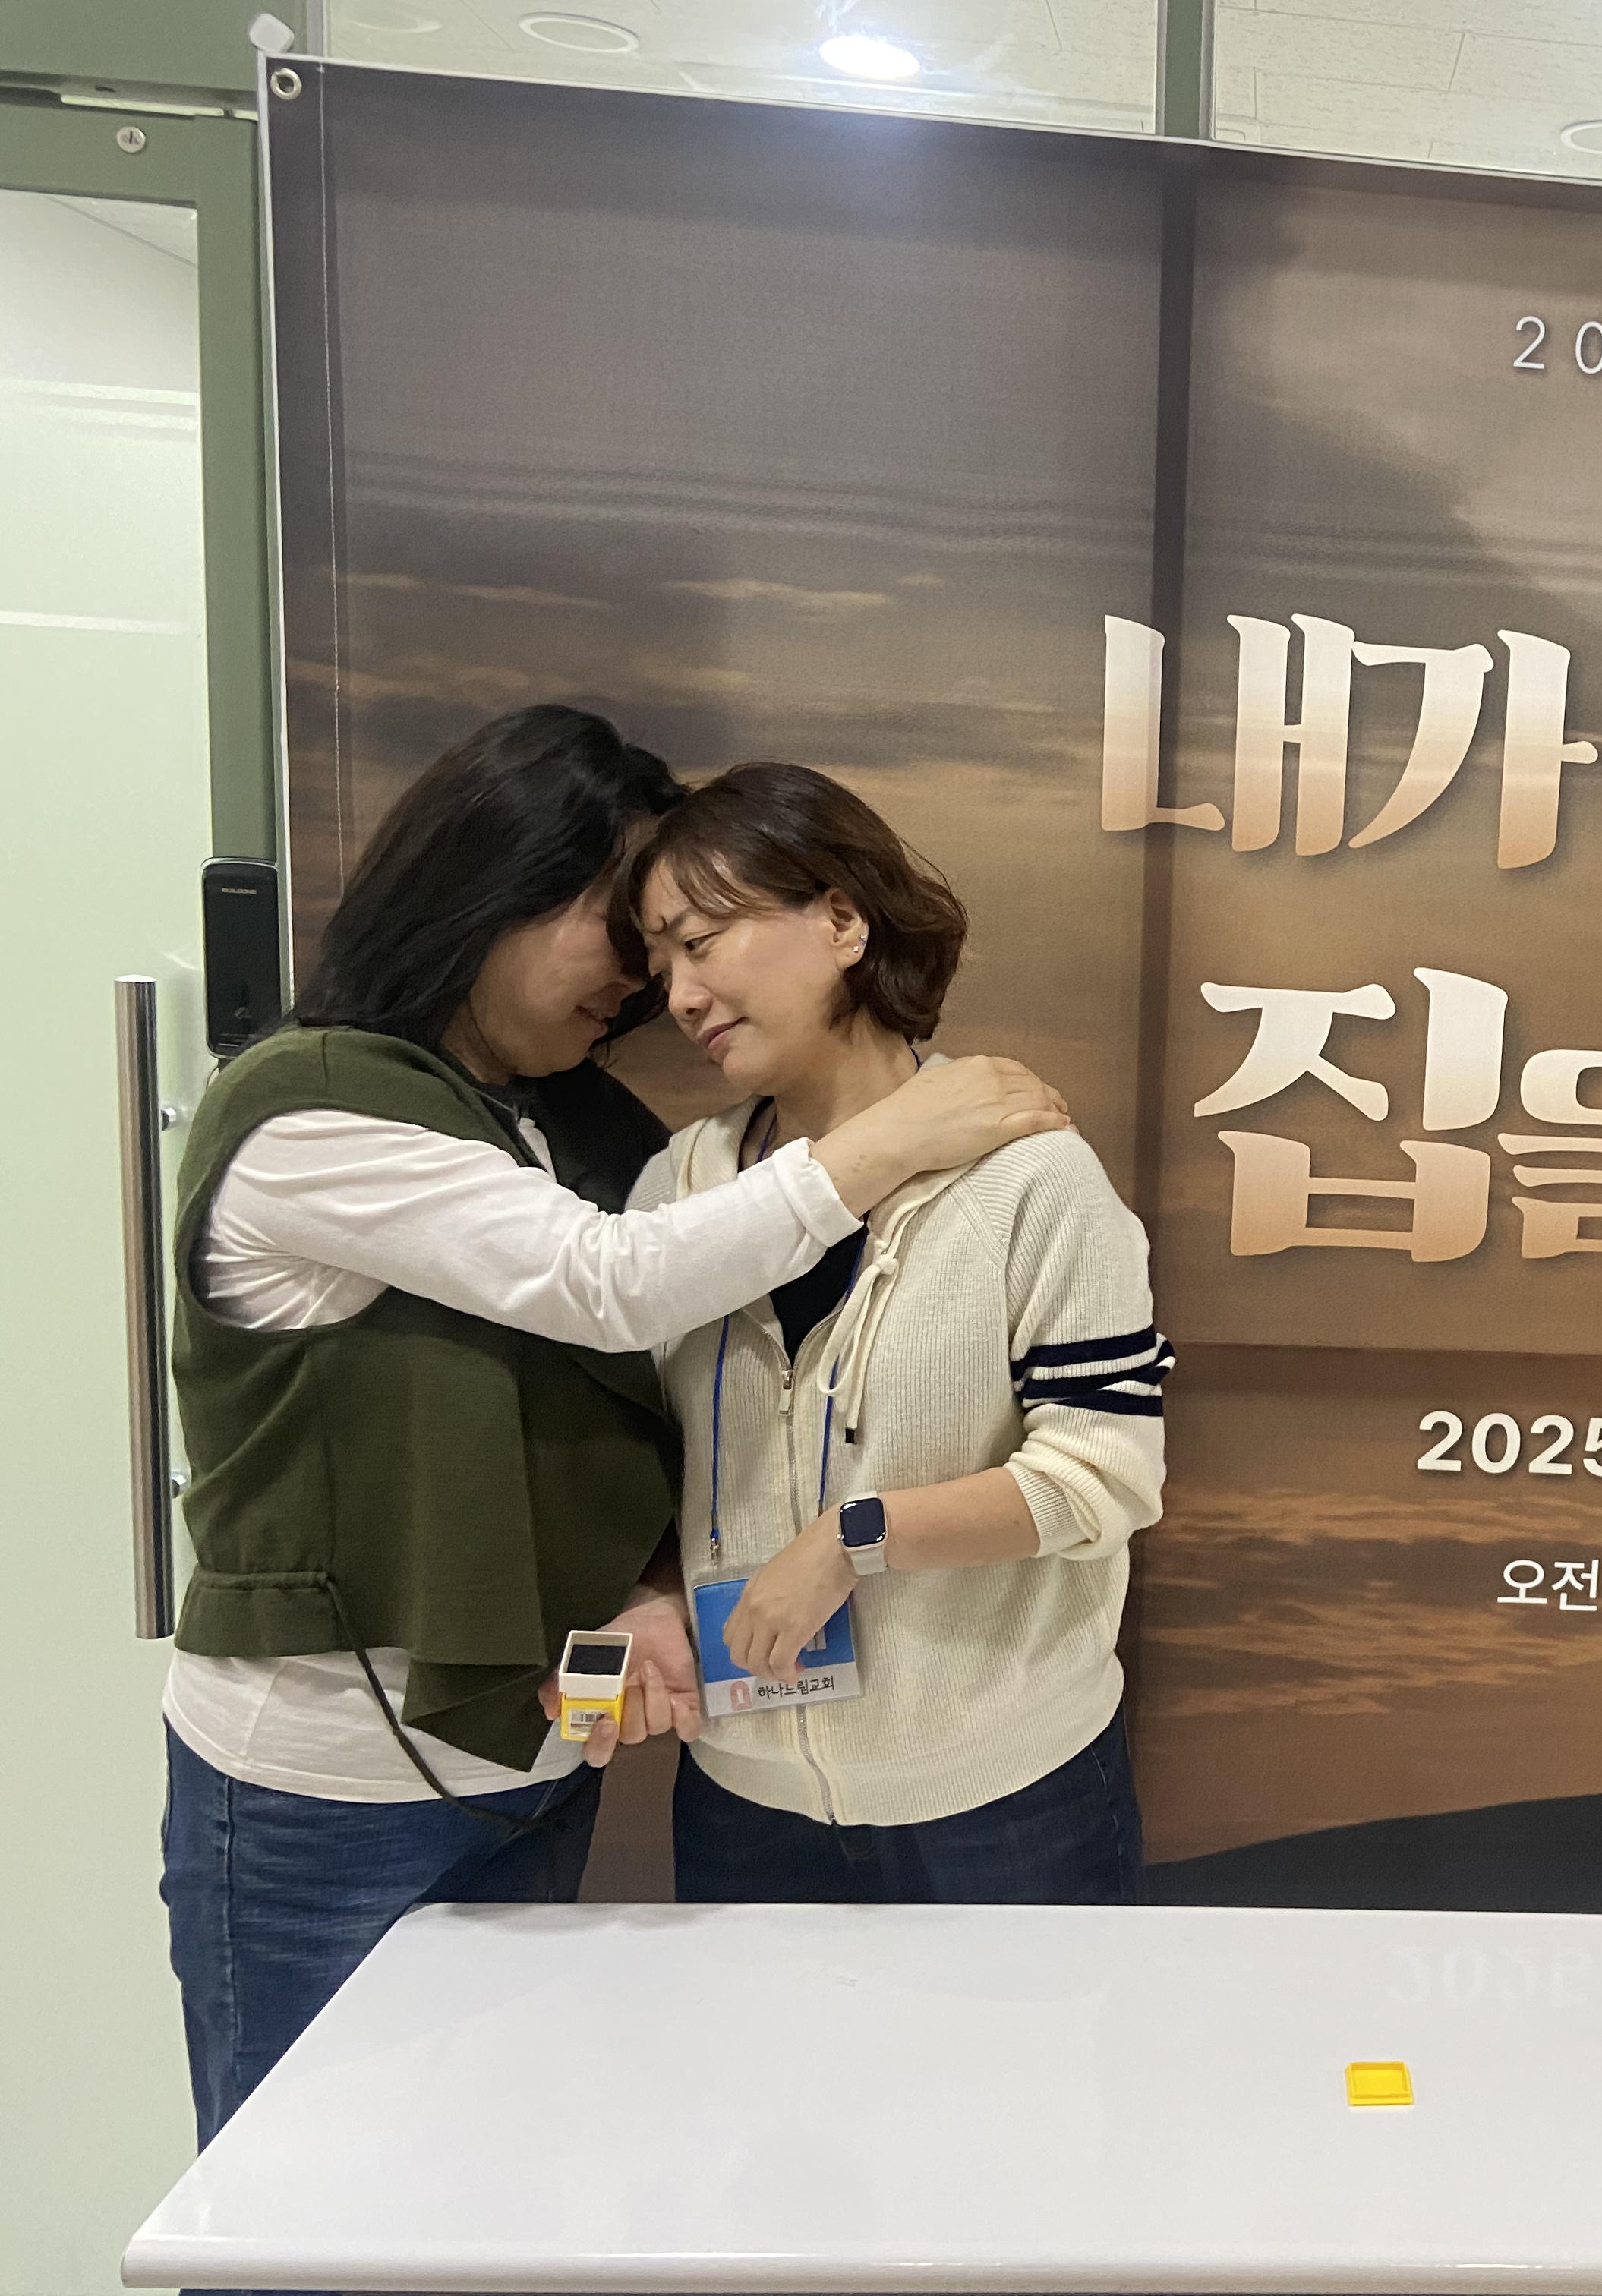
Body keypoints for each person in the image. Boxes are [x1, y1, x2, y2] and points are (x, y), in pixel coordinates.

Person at [162, 705, 1071, 2152]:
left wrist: (650, 1584)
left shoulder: (576, 1122)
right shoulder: (311, 1111)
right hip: (327, 1785)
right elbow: (608, 1282)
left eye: (686, 943)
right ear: (499, 884)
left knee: (495, 2180)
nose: (653, 986)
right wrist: (897, 1132)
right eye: (631, 933)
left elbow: (644, 1402)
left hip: (535, 1765)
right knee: (302, 2194)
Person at [626, 762, 1165, 1904]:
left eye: (702, 941)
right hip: (741, 1793)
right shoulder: (678, 1190)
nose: (680, 994)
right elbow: (641, 1462)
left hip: (1006, 1793)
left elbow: (1103, 1478)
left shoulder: (1030, 1177)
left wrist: (852, 1538)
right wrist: (652, 1590)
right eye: (660, 963)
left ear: (841, 919)